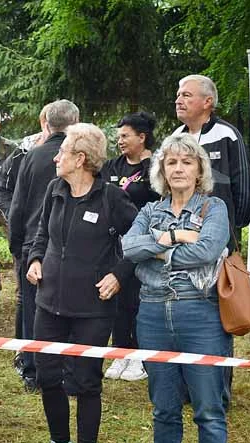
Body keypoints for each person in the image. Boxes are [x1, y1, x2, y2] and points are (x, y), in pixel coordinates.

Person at [23, 123, 137, 443]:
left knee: (87, 382)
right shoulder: (56, 189)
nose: (55, 157)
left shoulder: (111, 199)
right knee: (47, 375)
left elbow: (138, 241)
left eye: (63, 153)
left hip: (93, 307)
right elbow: (42, 232)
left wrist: (119, 274)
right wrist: (36, 258)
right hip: (49, 302)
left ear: (81, 159)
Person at [122, 133, 231, 443]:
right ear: (162, 172)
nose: (179, 168)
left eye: (187, 162)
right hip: (151, 314)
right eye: (172, 163)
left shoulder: (214, 207)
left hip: (199, 314)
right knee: (163, 406)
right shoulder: (151, 210)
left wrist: (156, 250)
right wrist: (173, 236)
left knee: (207, 407)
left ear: (200, 169)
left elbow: (207, 249)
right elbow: (128, 249)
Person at [173, 74, 250, 407]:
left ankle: (219, 388)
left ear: (207, 102)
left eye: (187, 95)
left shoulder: (227, 135)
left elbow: (244, 186)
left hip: (219, 242)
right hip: (181, 240)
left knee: (216, 314)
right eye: (178, 94)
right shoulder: (175, 137)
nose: (179, 99)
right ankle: (187, 387)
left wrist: (234, 228)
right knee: (184, 308)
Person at [8, 99, 79, 391]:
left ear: (47, 124)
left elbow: (17, 207)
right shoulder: (80, 158)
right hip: (67, 245)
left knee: (33, 309)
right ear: (75, 123)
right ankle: (65, 367)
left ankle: (31, 368)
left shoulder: (32, 157)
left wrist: (16, 246)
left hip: (32, 244)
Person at [99, 111, 160, 381]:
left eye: (125, 136)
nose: (119, 140)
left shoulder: (156, 169)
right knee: (118, 300)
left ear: (142, 137)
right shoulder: (112, 166)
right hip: (115, 244)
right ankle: (119, 352)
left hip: (144, 244)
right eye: (118, 136)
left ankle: (139, 357)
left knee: (137, 301)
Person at [0, 104, 50, 392]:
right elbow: (2, 189)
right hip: (29, 240)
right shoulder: (26, 150)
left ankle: (50, 363)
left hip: (60, 245)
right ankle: (26, 358)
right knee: (25, 299)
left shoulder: (82, 149)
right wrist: (16, 230)